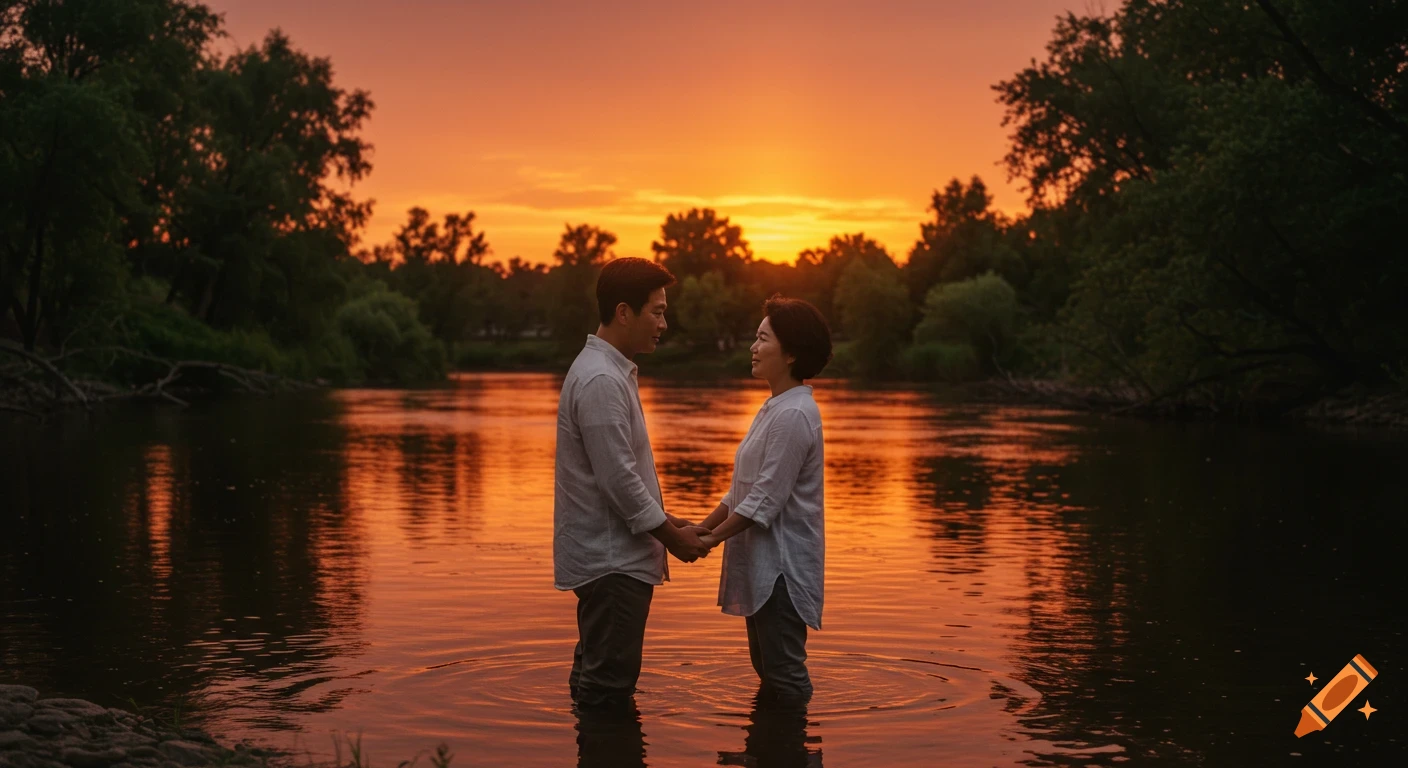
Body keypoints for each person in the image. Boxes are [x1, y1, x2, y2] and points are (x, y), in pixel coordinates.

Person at [553, 257, 712, 709]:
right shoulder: (601, 378)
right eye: (657, 311)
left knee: (594, 679)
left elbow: (621, 475)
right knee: (608, 692)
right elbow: (618, 481)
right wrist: (672, 539)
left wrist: (671, 521)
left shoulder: (606, 371)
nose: (664, 322)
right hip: (613, 565)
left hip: (611, 560)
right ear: (624, 312)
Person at [698, 295, 832, 702]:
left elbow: (765, 499)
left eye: (762, 339)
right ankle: (772, 748)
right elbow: (744, 487)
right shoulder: (776, 407)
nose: (753, 348)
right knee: (768, 667)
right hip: (764, 565)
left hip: (782, 571)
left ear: (790, 353)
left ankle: (797, 748)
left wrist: (708, 540)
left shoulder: (793, 415)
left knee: (784, 673)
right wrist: (702, 525)